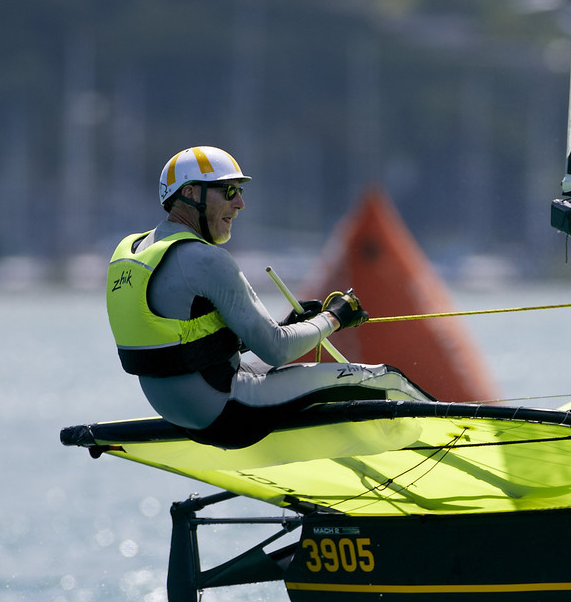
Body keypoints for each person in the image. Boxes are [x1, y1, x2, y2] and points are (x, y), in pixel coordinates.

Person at [106, 145, 428, 447]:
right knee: (387, 379)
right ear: (190, 194)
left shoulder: (130, 252)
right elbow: (277, 349)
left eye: (240, 191)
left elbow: (186, 345)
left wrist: (287, 325)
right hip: (229, 414)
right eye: (228, 191)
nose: (240, 204)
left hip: (182, 416)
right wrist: (334, 317)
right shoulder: (205, 260)